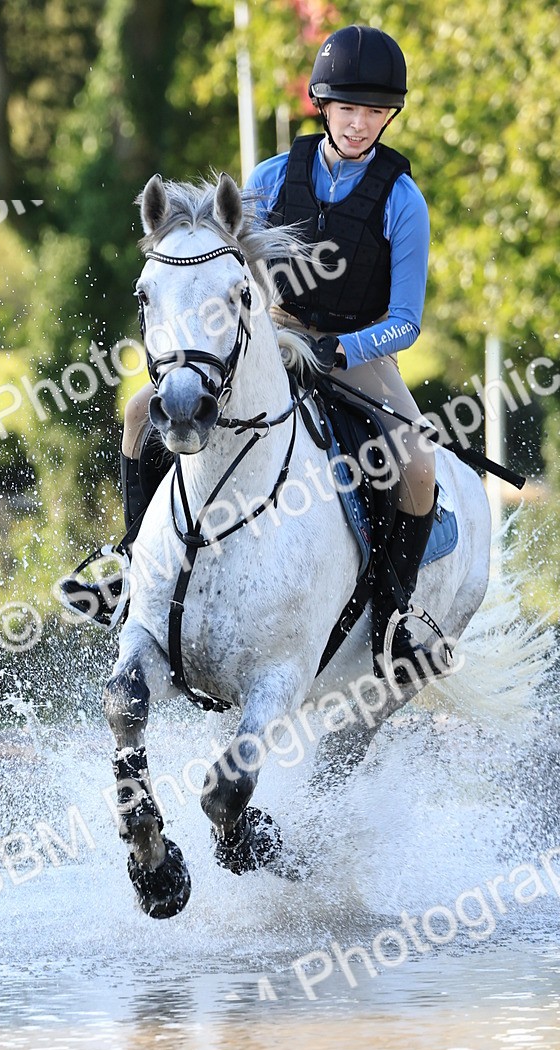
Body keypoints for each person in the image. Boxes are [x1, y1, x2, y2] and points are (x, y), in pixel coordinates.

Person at [64, 24, 442, 682]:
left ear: (390, 115)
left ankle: (393, 616)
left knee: (416, 464)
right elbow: (219, 267)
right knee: (137, 413)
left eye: (375, 113)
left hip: (361, 350)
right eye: (348, 109)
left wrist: (342, 347)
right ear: (322, 106)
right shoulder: (270, 177)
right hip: (270, 334)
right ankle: (129, 568)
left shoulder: (403, 201)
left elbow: (406, 320)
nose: (359, 125)